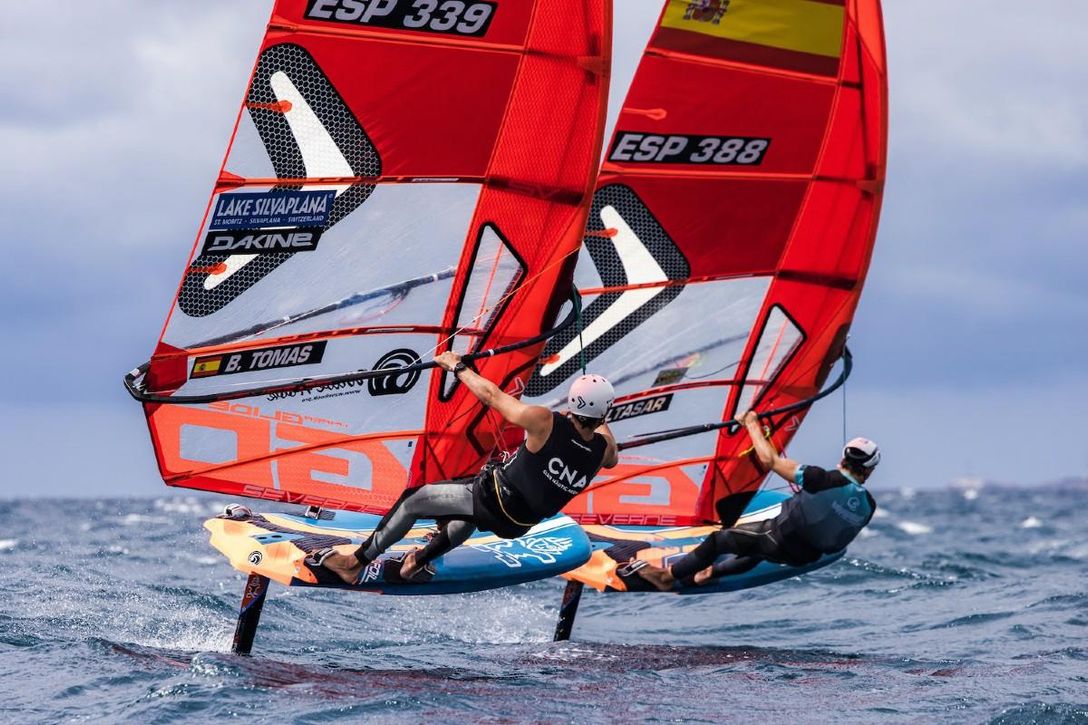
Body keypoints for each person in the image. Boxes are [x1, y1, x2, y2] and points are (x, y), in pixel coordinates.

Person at [309, 351, 619, 583]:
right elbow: (606, 439)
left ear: (572, 403)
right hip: (518, 524)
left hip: (493, 500)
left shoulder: (545, 422)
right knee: (466, 513)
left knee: (413, 501)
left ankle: (354, 565)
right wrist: (601, 415)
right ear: (605, 412)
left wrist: (457, 367)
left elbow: (493, 396)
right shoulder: (603, 453)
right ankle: (416, 563)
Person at [634, 410, 879, 591]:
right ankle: (712, 572)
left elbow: (769, 460)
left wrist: (751, 424)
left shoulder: (821, 478)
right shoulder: (869, 505)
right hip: (805, 556)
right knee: (756, 552)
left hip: (777, 539)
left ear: (843, 458)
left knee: (721, 540)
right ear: (869, 471)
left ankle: (667, 577)